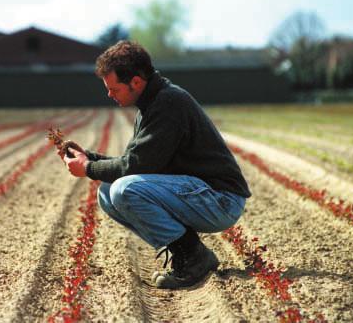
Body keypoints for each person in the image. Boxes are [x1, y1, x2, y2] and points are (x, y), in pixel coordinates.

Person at [59, 40, 251, 289]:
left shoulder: (168, 104)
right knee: (107, 192)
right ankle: (187, 250)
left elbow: (133, 168)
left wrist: (87, 168)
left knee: (123, 189)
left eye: (114, 88)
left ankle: (193, 257)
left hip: (221, 199)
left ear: (136, 82)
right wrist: (90, 158)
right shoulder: (152, 104)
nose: (109, 94)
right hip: (200, 193)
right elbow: (138, 162)